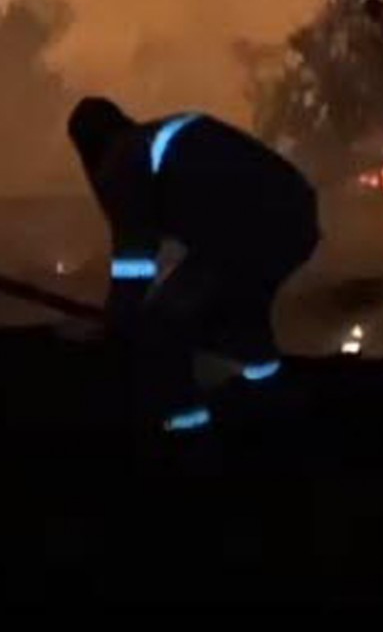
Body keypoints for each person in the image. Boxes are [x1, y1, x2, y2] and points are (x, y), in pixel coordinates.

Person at [67, 96, 320, 436]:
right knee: (241, 317)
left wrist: (119, 322)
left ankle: (188, 430)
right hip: (294, 218)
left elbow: (134, 260)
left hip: (245, 232)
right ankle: (273, 403)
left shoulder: (120, 159)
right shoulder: (152, 138)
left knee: (163, 327)